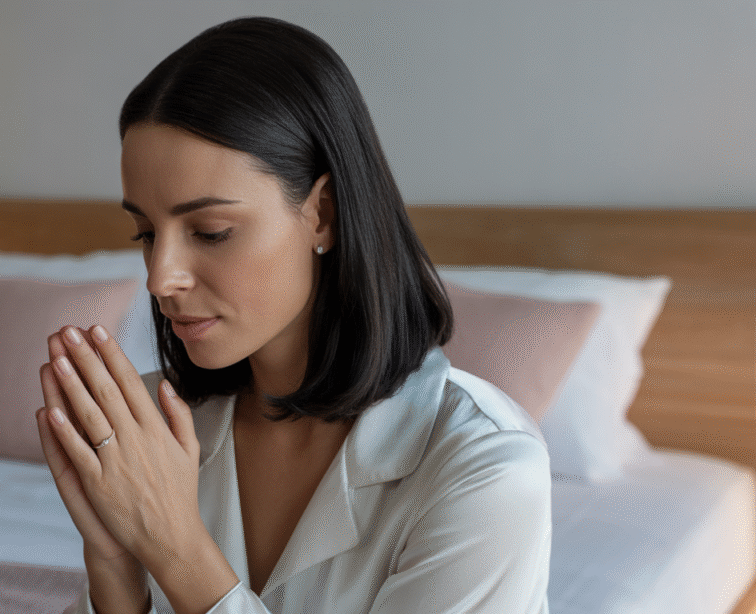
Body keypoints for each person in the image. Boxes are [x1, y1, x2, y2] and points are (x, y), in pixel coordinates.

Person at [35, 16, 551, 614]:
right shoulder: (153, 434)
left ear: (322, 215)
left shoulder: (483, 467)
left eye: (211, 231)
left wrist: (175, 550)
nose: (160, 278)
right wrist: (115, 579)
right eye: (146, 234)